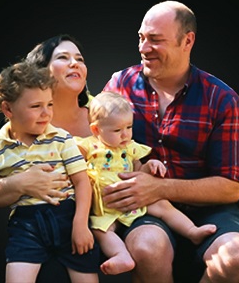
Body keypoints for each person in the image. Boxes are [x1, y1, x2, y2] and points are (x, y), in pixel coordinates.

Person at [102, 0, 239, 282]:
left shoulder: (222, 99)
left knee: (237, 256)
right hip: (145, 210)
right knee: (147, 247)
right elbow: (93, 141)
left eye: (155, 40)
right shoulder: (120, 85)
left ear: (187, 41)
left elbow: (231, 188)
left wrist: (159, 187)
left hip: (209, 209)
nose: (144, 48)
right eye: (141, 38)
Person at [0, 61, 99, 283]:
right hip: (26, 227)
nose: (46, 114)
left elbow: (82, 182)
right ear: (8, 109)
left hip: (67, 217)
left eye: (50, 104)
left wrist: (80, 224)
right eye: (36, 106)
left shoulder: (61, 139)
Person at [75, 91, 217, 276]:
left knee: (162, 205)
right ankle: (121, 255)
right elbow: (74, 168)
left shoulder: (130, 148)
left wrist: (150, 165)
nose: (125, 135)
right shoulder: (89, 147)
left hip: (135, 199)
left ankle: (192, 231)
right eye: (117, 130)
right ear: (96, 130)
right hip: (105, 206)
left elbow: (138, 171)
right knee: (100, 230)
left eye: (129, 127)